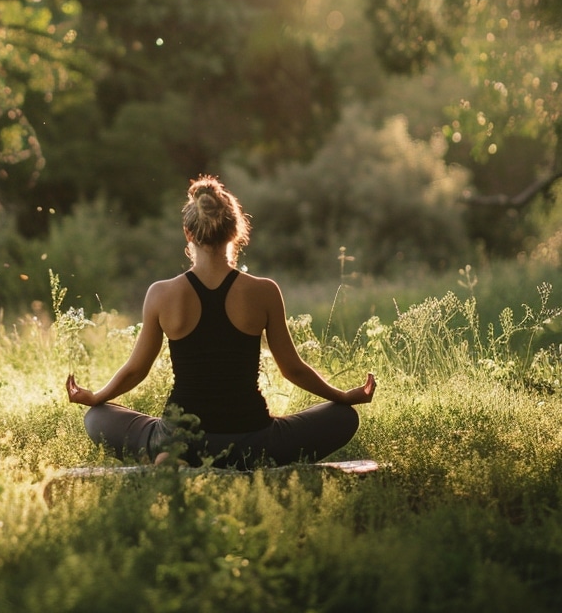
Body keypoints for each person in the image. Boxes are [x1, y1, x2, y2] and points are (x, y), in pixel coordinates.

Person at [66, 175, 376, 468]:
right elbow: (292, 369)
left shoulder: (162, 294)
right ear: (236, 231)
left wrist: (96, 397)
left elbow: (136, 370)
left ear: (189, 233)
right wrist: (343, 397)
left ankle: (172, 455)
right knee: (344, 417)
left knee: (96, 418)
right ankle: (248, 459)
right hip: (253, 438)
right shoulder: (263, 291)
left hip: (180, 436)